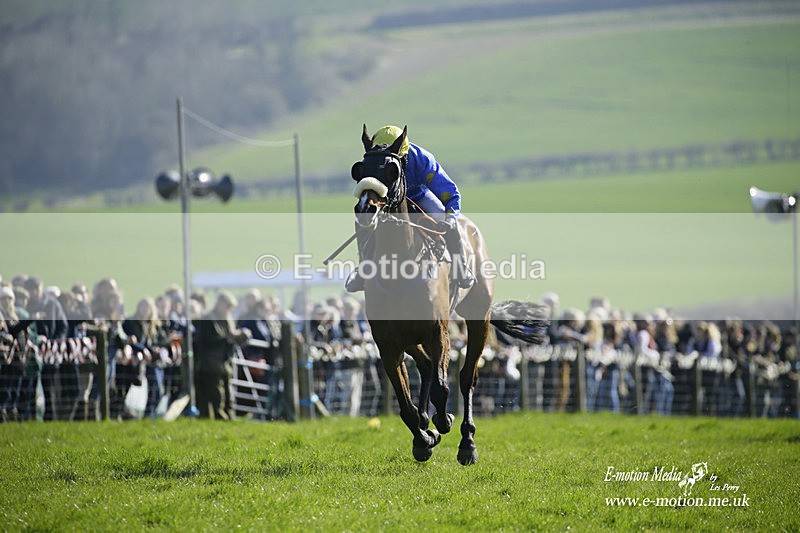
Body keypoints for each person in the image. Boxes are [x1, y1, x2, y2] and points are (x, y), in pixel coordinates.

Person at [346, 124, 474, 292]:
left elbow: (450, 193)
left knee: (445, 219)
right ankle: (364, 269)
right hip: (388, 201)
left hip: (419, 196)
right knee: (362, 218)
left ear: (403, 155)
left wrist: (450, 218)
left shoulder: (422, 160)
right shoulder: (374, 158)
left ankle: (460, 267)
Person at [193, 291, 251, 420]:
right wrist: (230, 337)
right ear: (220, 304)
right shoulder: (208, 319)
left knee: (228, 391)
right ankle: (219, 416)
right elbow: (208, 341)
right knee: (216, 393)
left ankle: (228, 415)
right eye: (228, 306)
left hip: (225, 362)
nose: (229, 310)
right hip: (211, 363)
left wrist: (239, 337)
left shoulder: (227, 319)